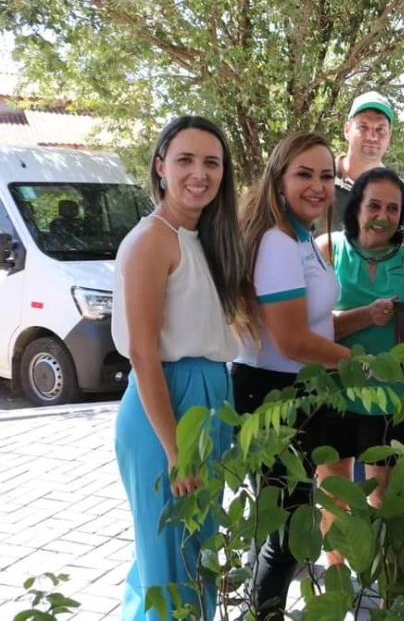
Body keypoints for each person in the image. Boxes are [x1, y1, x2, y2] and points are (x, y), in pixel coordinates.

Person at [112, 116, 252, 620]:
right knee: (168, 569)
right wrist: (177, 450)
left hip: (209, 394)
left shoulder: (207, 237)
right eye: (186, 160)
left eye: (211, 162)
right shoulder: (152, 240)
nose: (200, 173)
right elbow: (143, 354)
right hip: (168, 403)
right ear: (160, 167)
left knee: (197, 556)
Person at [231, 131, 352, 619]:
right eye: (304, 174)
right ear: (278, 180)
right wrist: (362, 365)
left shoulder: (300, 237)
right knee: (286, 538)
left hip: (298, 390)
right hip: (276, 395)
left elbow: (312, 324)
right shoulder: (277, 242)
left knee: (287, 528)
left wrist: (367, 317)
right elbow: (293, 340)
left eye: (326, 175)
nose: (318, 186)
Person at [313, 166, 404, 565]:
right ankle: (337, 579)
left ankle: (384, 582)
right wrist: (363, 316)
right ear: (356, 206)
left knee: (385, 499)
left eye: (394, 209)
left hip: (391, 397)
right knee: (336, 496)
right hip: (334, 391)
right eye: (374, 204)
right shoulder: (328, 249)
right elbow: (306, 331)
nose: (383, 215)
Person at [331, 91, 395, 230]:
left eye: (380, 129)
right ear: (347, 130)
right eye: (363, 127)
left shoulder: (398, 193)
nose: (372, 136)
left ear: (389, 136)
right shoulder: (320, 181)